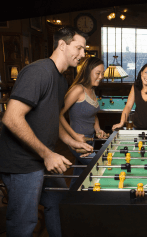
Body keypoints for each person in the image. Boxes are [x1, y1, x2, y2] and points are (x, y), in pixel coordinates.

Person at [0, 26, 93, 237]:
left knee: (60, 204)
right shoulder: (38, 72)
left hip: (43, 159)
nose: (82, 54)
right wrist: (47, 154)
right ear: (62, 45)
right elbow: (11, 118)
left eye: (84, 50)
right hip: (22, 163)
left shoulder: (61, 79)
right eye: (79, 48)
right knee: (24, 222)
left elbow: (52, 119)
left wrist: (71, 141)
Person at [59, 57, 107, 187]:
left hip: (89, 139)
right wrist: (74, 137)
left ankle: (71, 201)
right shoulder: (78, 89)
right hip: (77, 142)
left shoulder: (92, 89)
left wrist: (98, 129)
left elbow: (93, 114)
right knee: (101, 166)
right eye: (98, 73)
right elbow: (59, 114)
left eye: (102, 73)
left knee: (79, 175)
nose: (101, 76)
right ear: (88, 71)